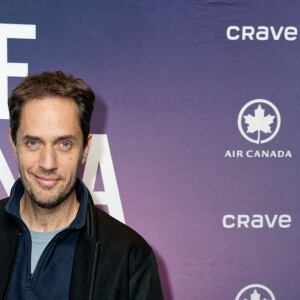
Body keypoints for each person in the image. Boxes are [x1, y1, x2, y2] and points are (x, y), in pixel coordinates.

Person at [0, 71, 164, 300]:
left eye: (64, 143)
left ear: (86, 148)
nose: (48, 163)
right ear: (14, 143)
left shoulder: (129, 257)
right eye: (34, 142)